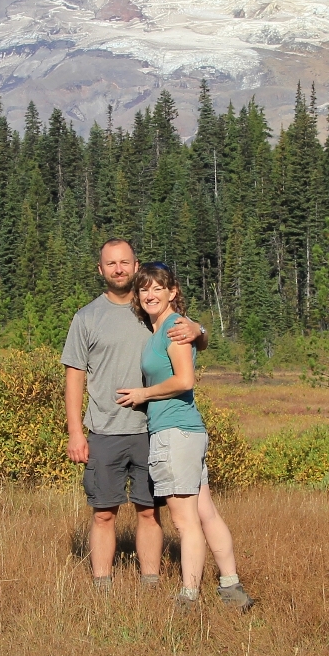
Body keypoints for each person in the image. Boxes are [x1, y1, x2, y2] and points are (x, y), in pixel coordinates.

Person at [62, 239, 207, 590]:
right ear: (100, 270)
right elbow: (74, 377)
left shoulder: (151, 311)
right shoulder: (86, 318)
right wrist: (75, 432)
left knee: (148, 510)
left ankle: (150, 582)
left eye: (124, 262)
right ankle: (102, 585)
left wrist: (200, 330)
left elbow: (188, 335)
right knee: (103, 513)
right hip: (104, 430)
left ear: (135, 265)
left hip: (150, 429)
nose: (118, 269)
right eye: (111, 263)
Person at [115, 262, 254, 611]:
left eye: (157, 288)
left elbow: (184, 381)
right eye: (144, 288)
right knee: (205, 512)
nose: (149, 294)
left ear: (172, 292)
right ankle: (231, 588)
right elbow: (200, 341)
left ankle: (189, 597)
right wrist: (201, 330)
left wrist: (142, 395)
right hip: (186, 432)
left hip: (175, 433)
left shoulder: (174, 327)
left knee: (184, 519)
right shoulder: (167, 326)